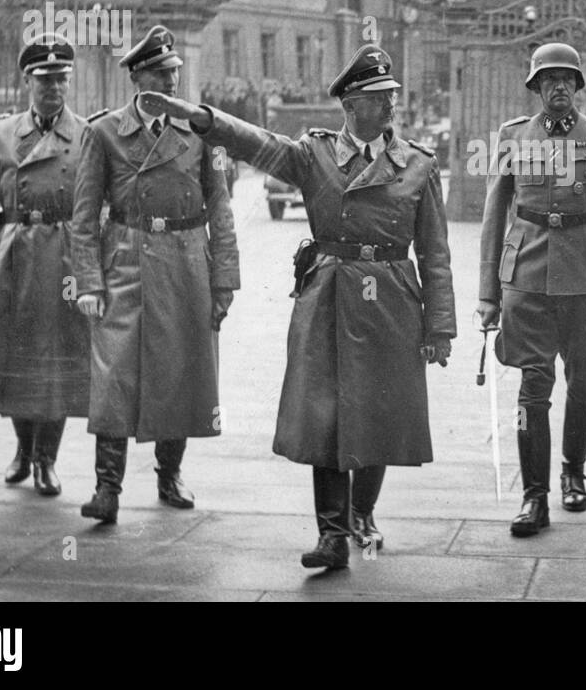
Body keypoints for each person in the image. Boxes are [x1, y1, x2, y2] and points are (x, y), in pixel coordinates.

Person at [139, 44, 455, 571]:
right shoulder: (315, 156)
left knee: (379, 411)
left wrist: (439, 326)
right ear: (352, 104)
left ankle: (361, 515)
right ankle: (331, 535)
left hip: (393, 299)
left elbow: (437, 252)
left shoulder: (419, 164)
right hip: (328, 297)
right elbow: (257, 144)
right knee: (326, 418)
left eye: (392, 95)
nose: (393, 103)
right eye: (381, 97)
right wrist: (201, 118)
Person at [69, 25, 239, 524]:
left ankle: (170, 475)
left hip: (187, 262)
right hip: (125, 259)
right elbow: (83, 217)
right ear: (139, 79)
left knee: (181, 371)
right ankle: (107, 488)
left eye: (176, 74)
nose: (173, 83)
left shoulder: (202, 134)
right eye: (163, 74)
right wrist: (88, 283)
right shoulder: (103, 133)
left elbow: (221, 208)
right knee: (114, 373)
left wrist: (224, 279)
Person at [478, 42, 586, 537]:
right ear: (535, 88)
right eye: (548, 80)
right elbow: (492, 218)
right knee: (533, 387)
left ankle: (573, 470)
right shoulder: (511, 138)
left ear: (577, 87)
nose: (558, 88)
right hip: (526, 278)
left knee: (582, 376)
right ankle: (535, 496)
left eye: (566, 80)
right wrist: (487, 295)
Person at [0, 34, 92, 497]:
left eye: (61, 80)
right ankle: (22, 450)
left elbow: (94, 205)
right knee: (12, 355)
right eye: (45, 80)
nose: (54, 89)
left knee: (58, 362)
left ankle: (47, 459)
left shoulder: (87, 134)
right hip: (14, 252)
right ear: (27, 80)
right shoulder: (0, 134)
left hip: (63, 254)